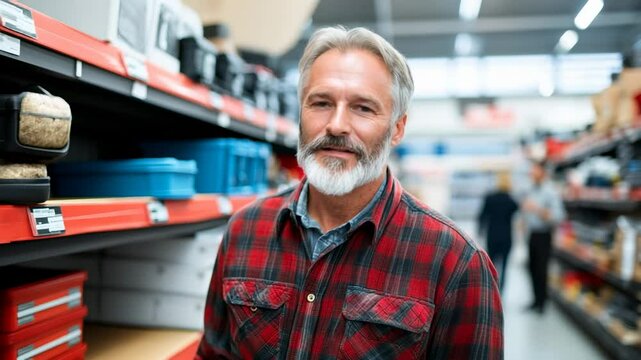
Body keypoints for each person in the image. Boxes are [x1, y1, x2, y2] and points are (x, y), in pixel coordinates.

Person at [197, 26, 503, 359]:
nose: (337, 125)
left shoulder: (457, 264)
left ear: (397, 128)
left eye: (363, 108)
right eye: (321, 103)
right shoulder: (244, 231)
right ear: (300, 112)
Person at [521, 161, 565, 314]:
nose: (532, 173)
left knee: (541, 269)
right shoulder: (530, 190)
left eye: (535, 170)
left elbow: (559, 216)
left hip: (544, 234)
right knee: (531, 267)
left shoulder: (550, 191)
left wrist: (538, 210)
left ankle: (542, 303)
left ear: (543, 172)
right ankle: (535, 300)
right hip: (531, 233)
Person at [478, 172, 519, 292]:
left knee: (491, 266)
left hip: (492, 236)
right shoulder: (512, 201)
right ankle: (501, 293)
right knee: (505, 267)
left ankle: (491, 291)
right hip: (507, 237)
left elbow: (482, 217)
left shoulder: (489, 198)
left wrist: (480, 232)